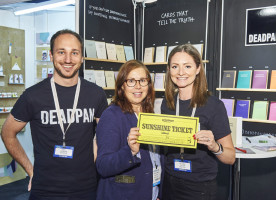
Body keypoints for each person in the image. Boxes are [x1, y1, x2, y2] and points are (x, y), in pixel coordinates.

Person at [1, 29, 108, 200]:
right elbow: (7, 132)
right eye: (61, 52)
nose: (67, 59)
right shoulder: (32, 96)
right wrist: (30, 169)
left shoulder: (96, 94)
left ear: (82, 57)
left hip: (86, 188)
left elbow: (105, 134)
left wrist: (91, 160)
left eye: (74, 53)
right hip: (44, 189)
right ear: (51, 55)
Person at [161, 44, 235, 200]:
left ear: (198, 68)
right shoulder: (167, 104)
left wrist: (214, 146)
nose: (181, 72)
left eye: (187, 66)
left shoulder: (214, 106)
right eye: (175, 66)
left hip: (199, 187)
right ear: (169, 70)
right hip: (169, 182)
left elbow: (230, 157)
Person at [95, 60, 163, 200]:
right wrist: (130, 151)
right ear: (122, 86)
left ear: (149, 85)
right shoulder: (112, 115)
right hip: (123, 195)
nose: (138, 86)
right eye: (131, 81)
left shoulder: (150, 115)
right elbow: (103, 165)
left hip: (150, 193)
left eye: (143, 80)